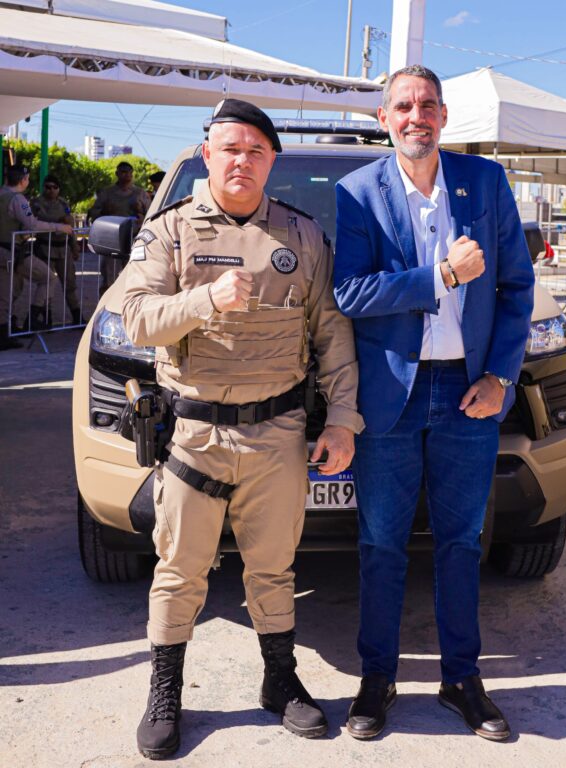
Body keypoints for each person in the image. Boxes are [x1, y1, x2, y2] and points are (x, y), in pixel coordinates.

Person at [121, 98, 363, 760]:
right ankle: (166, 691)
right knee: (180, 569)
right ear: (208, 154)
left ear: (270, 162)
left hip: (276, 433)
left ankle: (279, 681)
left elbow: (333, 335)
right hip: (194, 436)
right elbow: (135, 318)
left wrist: (344, 419)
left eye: (256, 151)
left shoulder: (302, 237)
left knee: (273, 567)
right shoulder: (169, 232)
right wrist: (205, 299)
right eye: (230, 148)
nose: (242, 161)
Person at [334, 65, 535, 742]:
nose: (415, 116)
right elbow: (350, 293)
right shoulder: (357, 191)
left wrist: (501, 376)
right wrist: (442, 274)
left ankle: (461, 680)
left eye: (427, 105)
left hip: (467, 391)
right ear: (384, 119)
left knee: (461, 542)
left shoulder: (486, 182)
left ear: (444, 116)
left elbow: (516, 286)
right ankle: (377, 679)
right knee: (381, 543)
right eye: (403, 106)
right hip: (390, 395)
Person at [0, 163, 73, 347]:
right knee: (48, 278)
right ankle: (30, 320)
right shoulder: (18, 199)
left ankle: (8, 329)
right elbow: (32, 224)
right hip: (12, 252)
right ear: (24, 180)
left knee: (9, 291)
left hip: (8, 251)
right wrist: (59, 227)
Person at [90, 161, 151, 293]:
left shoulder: (140, 193)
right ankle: (107, 304)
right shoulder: (107, 193)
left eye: (129, 172)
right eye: (123, 171)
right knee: (109, 280)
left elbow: (152, 214)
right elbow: (94, 213)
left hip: (134, 240)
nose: (126, 174)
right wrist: (105, 214)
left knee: (134, 278)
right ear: (117, 173)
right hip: (112, 241)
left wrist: (143, 219)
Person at [31, 174, 85, 324]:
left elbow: (69, 226)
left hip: (63, 249)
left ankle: (76, 315)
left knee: (70, 284)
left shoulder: (63, 203)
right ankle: (46, 317)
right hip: (45, 248)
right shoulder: (36, 203)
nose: (51, 190)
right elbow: (35, 220)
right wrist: (58, 222)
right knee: (47, 283)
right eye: (48, 187)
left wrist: (74, 246)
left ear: (59, 189)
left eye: (54, 187)